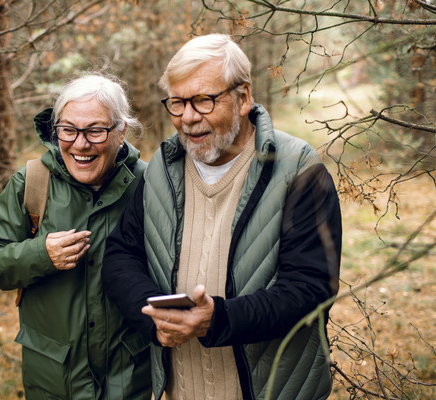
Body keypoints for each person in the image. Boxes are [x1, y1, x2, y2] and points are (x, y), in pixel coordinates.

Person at [102, 34, 342, 400]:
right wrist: (152, 314)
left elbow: (311, 288)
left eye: (203, 100)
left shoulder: (297, 169)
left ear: (243, 97)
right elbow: (120, 256)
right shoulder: (161, 172)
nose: (188, 118)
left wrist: (220, 318)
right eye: (178, 103)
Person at [0, 73, 151, 399]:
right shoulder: (31, 183)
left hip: (129, 375)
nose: (80, 144)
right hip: (54, 376)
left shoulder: (149, 184)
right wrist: (40, 254)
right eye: (68, 130)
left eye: (95, 130)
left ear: (121, 130)